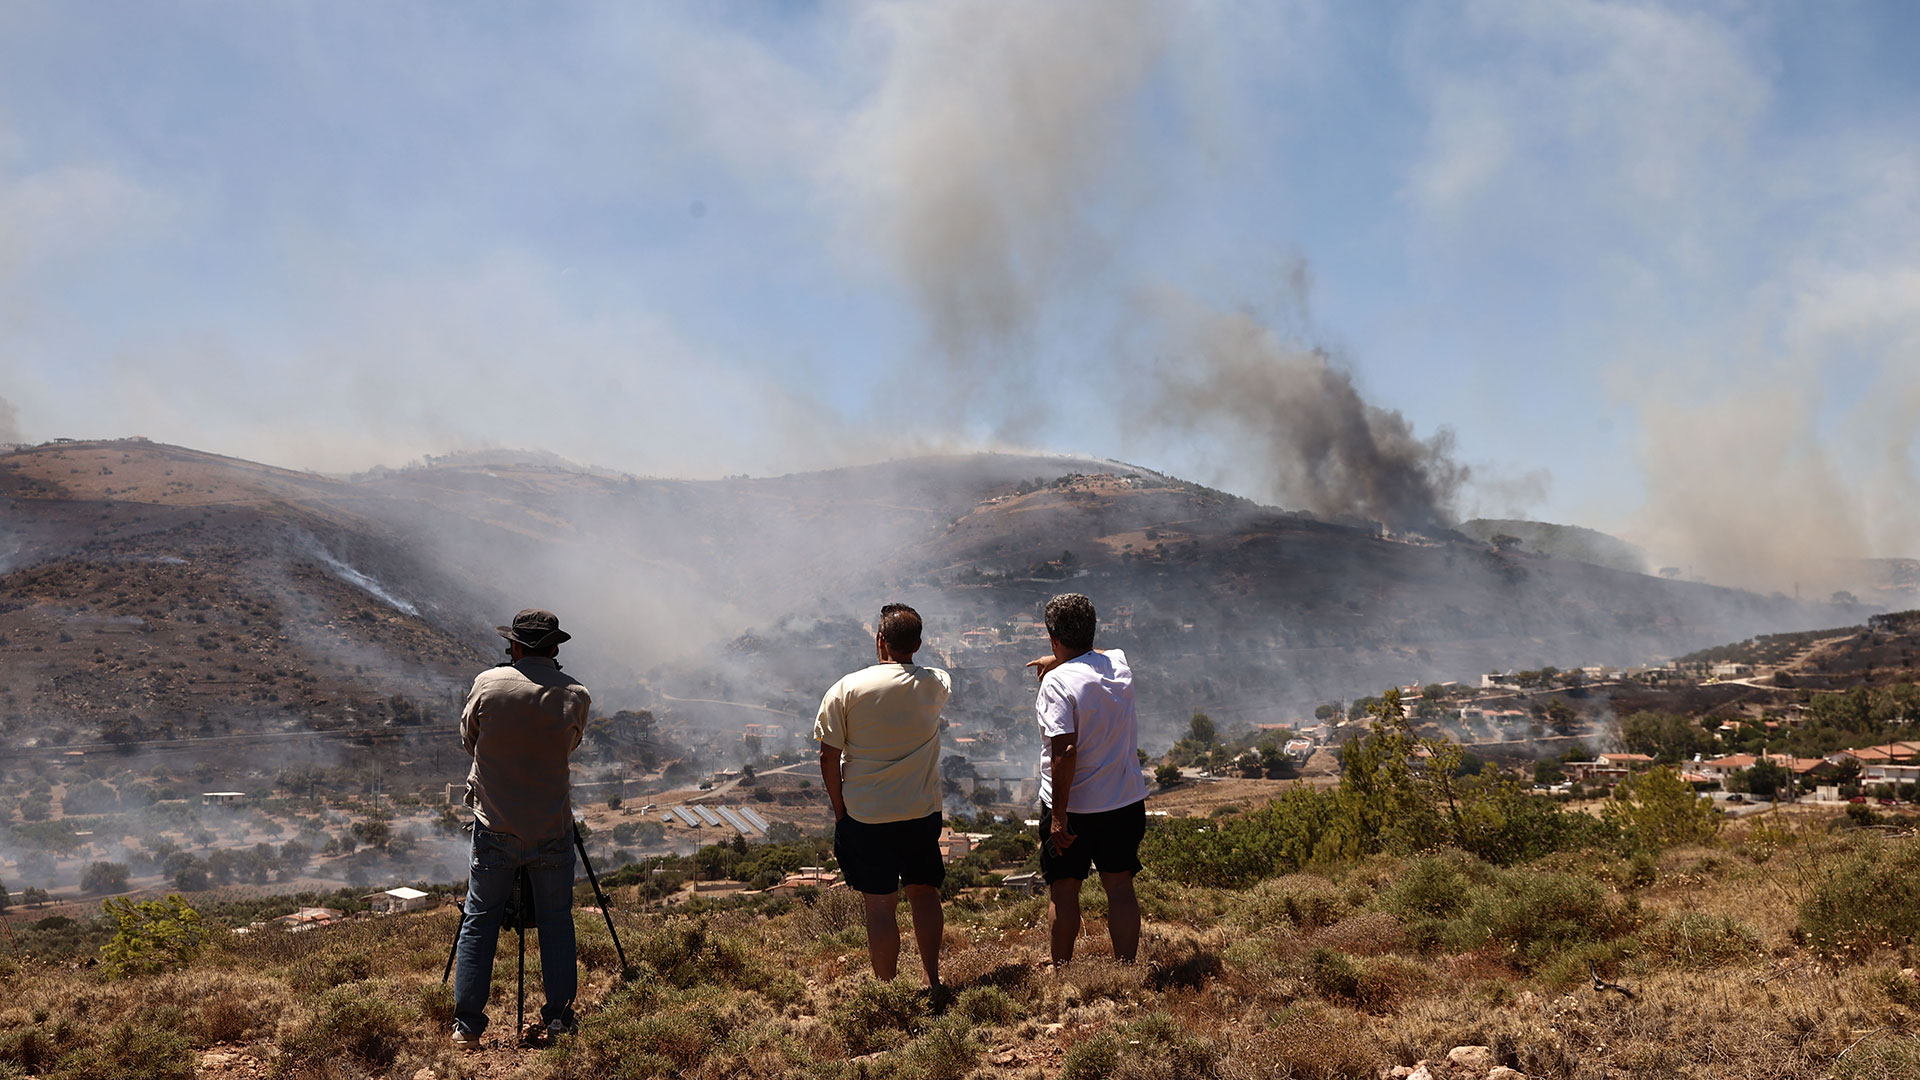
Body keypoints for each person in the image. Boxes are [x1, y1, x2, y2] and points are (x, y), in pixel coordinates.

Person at [451, 609, 592, 1049]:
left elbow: (469, 738)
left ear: (513, 646)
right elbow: (571, 743)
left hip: (496, 824)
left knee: (480, 919)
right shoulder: (575, 694)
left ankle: (468, 1027)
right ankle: (559, 1019)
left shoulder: (488, 684)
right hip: (551, 824)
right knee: (555, 919)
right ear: (554, 649)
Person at [815, 603, 951, 989]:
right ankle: (934, 982)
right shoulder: (936, 682)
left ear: (880, 640)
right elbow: (933, 677)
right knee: (924, 895)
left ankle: (887, 992)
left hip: (866, 815)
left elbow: (829, 756)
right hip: (920, 811)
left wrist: (841, 811)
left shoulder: (846, 689)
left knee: (879, 904)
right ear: (919, 644)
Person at [1025, 593, 1150, 965]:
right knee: (1120, 887)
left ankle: (1062, 974)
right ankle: (1126, 968)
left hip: (1074, 808)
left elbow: (1064, 751)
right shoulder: (1118, 664)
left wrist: (1059, 815)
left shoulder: (1057, 684)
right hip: (1124, 801)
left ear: (1053, 639)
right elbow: (1101, 652)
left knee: (1064, 891)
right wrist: (1060, 656)